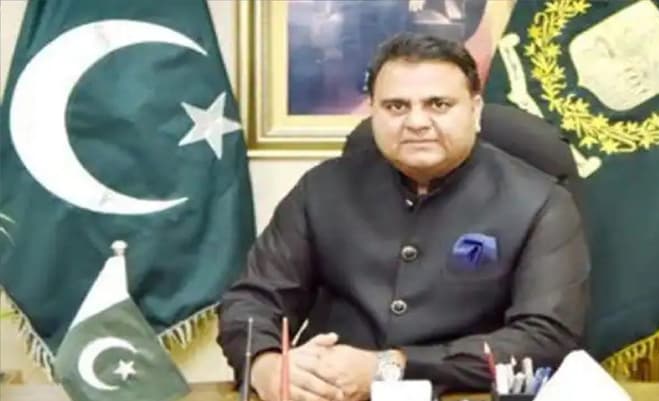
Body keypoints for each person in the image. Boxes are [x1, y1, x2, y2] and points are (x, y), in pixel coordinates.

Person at [218, 32, 589, 401]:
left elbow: (544, 337)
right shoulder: (321, 188)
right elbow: (253, 300)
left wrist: (390, 367)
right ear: (373, 112)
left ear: (475, 111)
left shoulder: (541, 202)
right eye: (396, 106)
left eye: (438, 104)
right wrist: (266, 367)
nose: (416, 122)